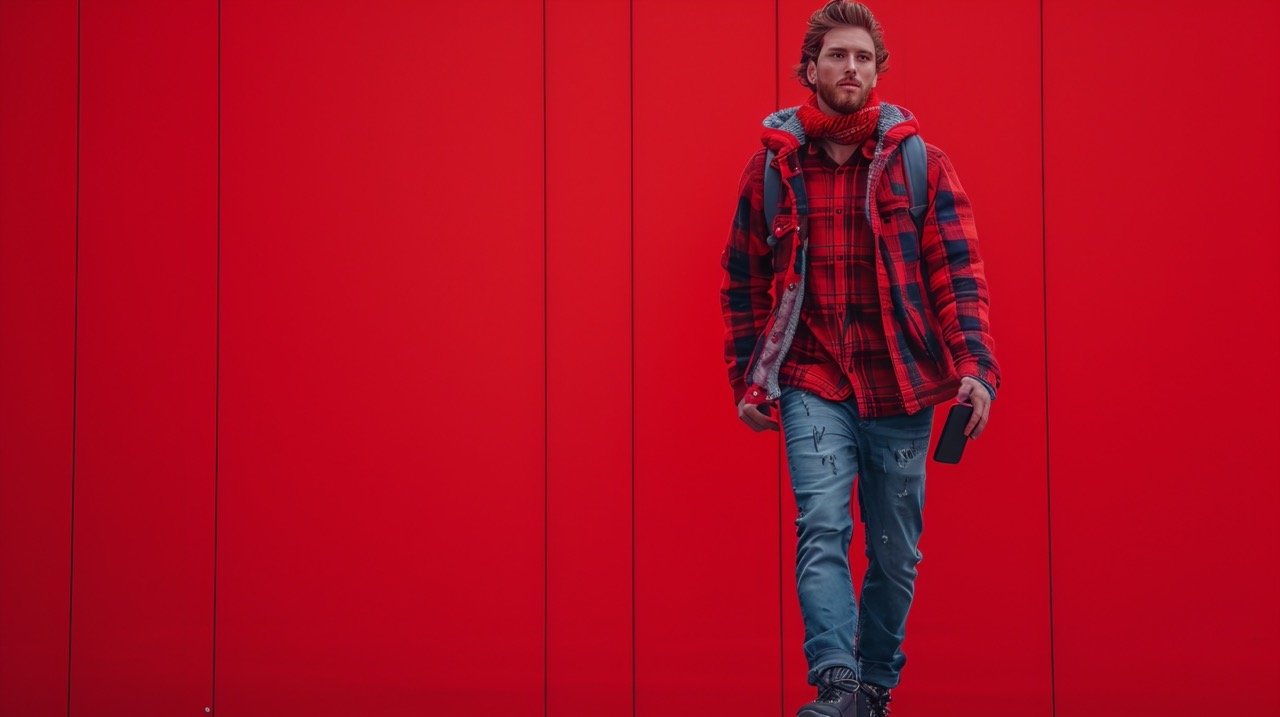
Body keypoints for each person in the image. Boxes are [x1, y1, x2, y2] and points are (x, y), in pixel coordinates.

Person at [718, 2, 1001, 715]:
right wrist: (748, 378)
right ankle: (837, 680)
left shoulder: (918, 164)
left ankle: (874, 687)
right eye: (837, 56)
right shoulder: (773, 170)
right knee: (821, 525)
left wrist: (975, 365)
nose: (851, 69)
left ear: (878, 72)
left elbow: (957, 272)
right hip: (812, 377)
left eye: (863, 58)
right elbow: (744, 279)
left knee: (896, 553)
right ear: (809, 68)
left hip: (900, 385)